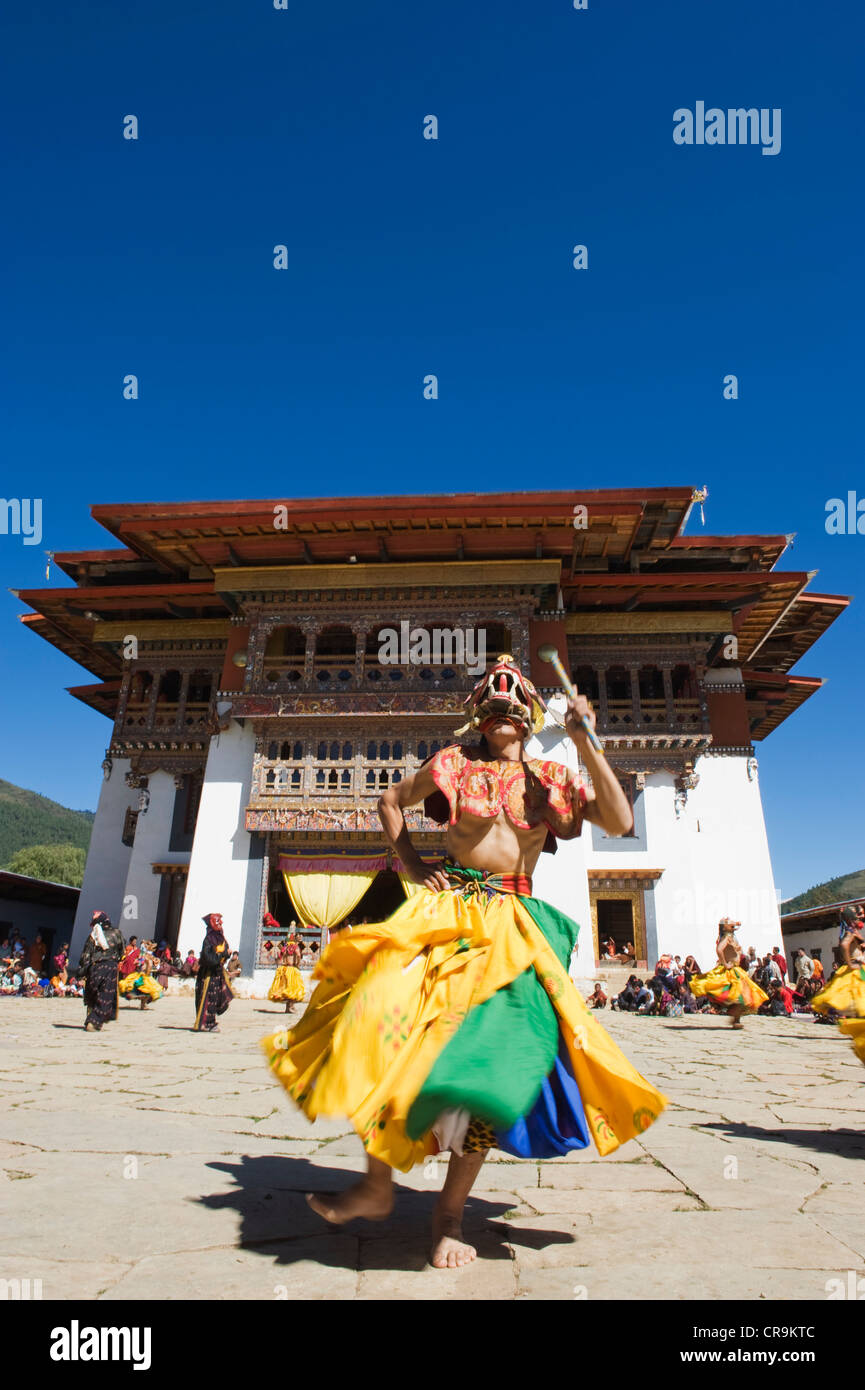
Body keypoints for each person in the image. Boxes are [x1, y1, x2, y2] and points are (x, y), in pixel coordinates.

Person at [262, 654, 667, 1269]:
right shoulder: (453, 764)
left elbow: (620, 818)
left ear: (529, 716)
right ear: (479, 714)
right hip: (446, 913)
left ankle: (447, 1216)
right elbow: (390, 802)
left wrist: (586, 741)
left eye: (514, 702)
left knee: (488, 1067)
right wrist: (413, 868)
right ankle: (376, 1184)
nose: (504, 711)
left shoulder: (550, 777)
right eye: (494, 701)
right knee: (382, 1021)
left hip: (513, 926)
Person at [690, 919, 769, 1029]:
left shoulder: (731, 937)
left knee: (744, 997)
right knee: (739, 996)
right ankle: (734, 1017)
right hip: (730, 970)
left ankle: (735, 1019)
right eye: (728, 922)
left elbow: (735, 926)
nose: (731, 923)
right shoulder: (726, 937)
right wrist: (725, 963)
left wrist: (735, 925)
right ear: (724, 927)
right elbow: (719, 949)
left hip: (736, 970)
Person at [812, 923, 865, 1067]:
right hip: (856, 968)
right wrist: (851, 962)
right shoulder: (850, 932)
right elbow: (844, 945)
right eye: (859, 914)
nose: (861, 916)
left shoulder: (851, 931)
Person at [77, 910, 124, 1031]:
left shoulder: (92, 936)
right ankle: (93, 1022)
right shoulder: (116, 933)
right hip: (110, 967)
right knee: (105, 996)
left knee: (94, 994)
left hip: (94, 968)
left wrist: (82, 973)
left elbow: (85, 956)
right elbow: (121, 952)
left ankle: (94, 1020)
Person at [193, 913, 233, 1032]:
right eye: (218, 921)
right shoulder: (208, 940)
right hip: (208, 974)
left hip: (217, 973)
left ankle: (209, 1022)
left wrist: (226, 954)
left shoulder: (221, 938)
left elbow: (224, 953)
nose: (221, 923)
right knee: (207, 998)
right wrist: (223, 954)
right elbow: (208, 957)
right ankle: (207, 1023)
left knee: (217, 998)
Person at [267, 912, 306, 1013]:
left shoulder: (285, 947)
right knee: (292, 989)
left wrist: (279, 965)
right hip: (292, 969)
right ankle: (290, 1007)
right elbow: (297, 955)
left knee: (287, 988)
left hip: (285, 968)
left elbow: (281, 957)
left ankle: (288, 1007)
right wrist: (297, 963)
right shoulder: (295, 947)